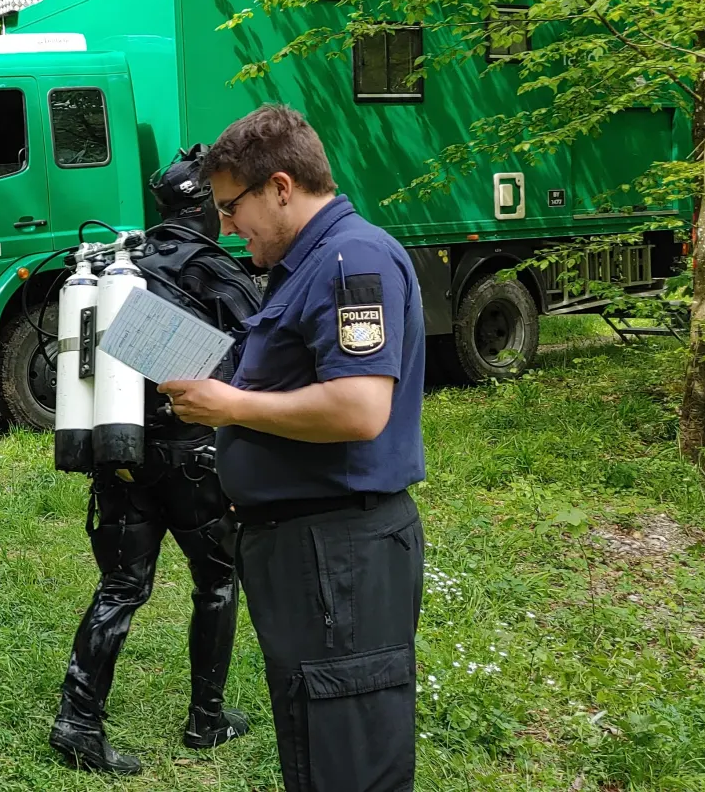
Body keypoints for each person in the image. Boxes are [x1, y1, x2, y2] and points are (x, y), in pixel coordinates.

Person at [159, 105, 428, 792]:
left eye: (229, 208)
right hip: (306, 551)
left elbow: (361, 408)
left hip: (338, 551)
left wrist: (233, 406)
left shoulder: (351, 261)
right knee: (318, 742)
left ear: (281, 187)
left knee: (348, 757)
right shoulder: (304, 264)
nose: (224, 226)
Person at [49, 147, 263, 775]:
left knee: (121, 585)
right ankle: (208, 718)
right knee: (218, 580)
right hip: (192, 453)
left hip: (120, 447)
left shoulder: (124, 265)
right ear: (204, 208)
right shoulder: (213, 267)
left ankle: (77, 722)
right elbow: (259, 356)